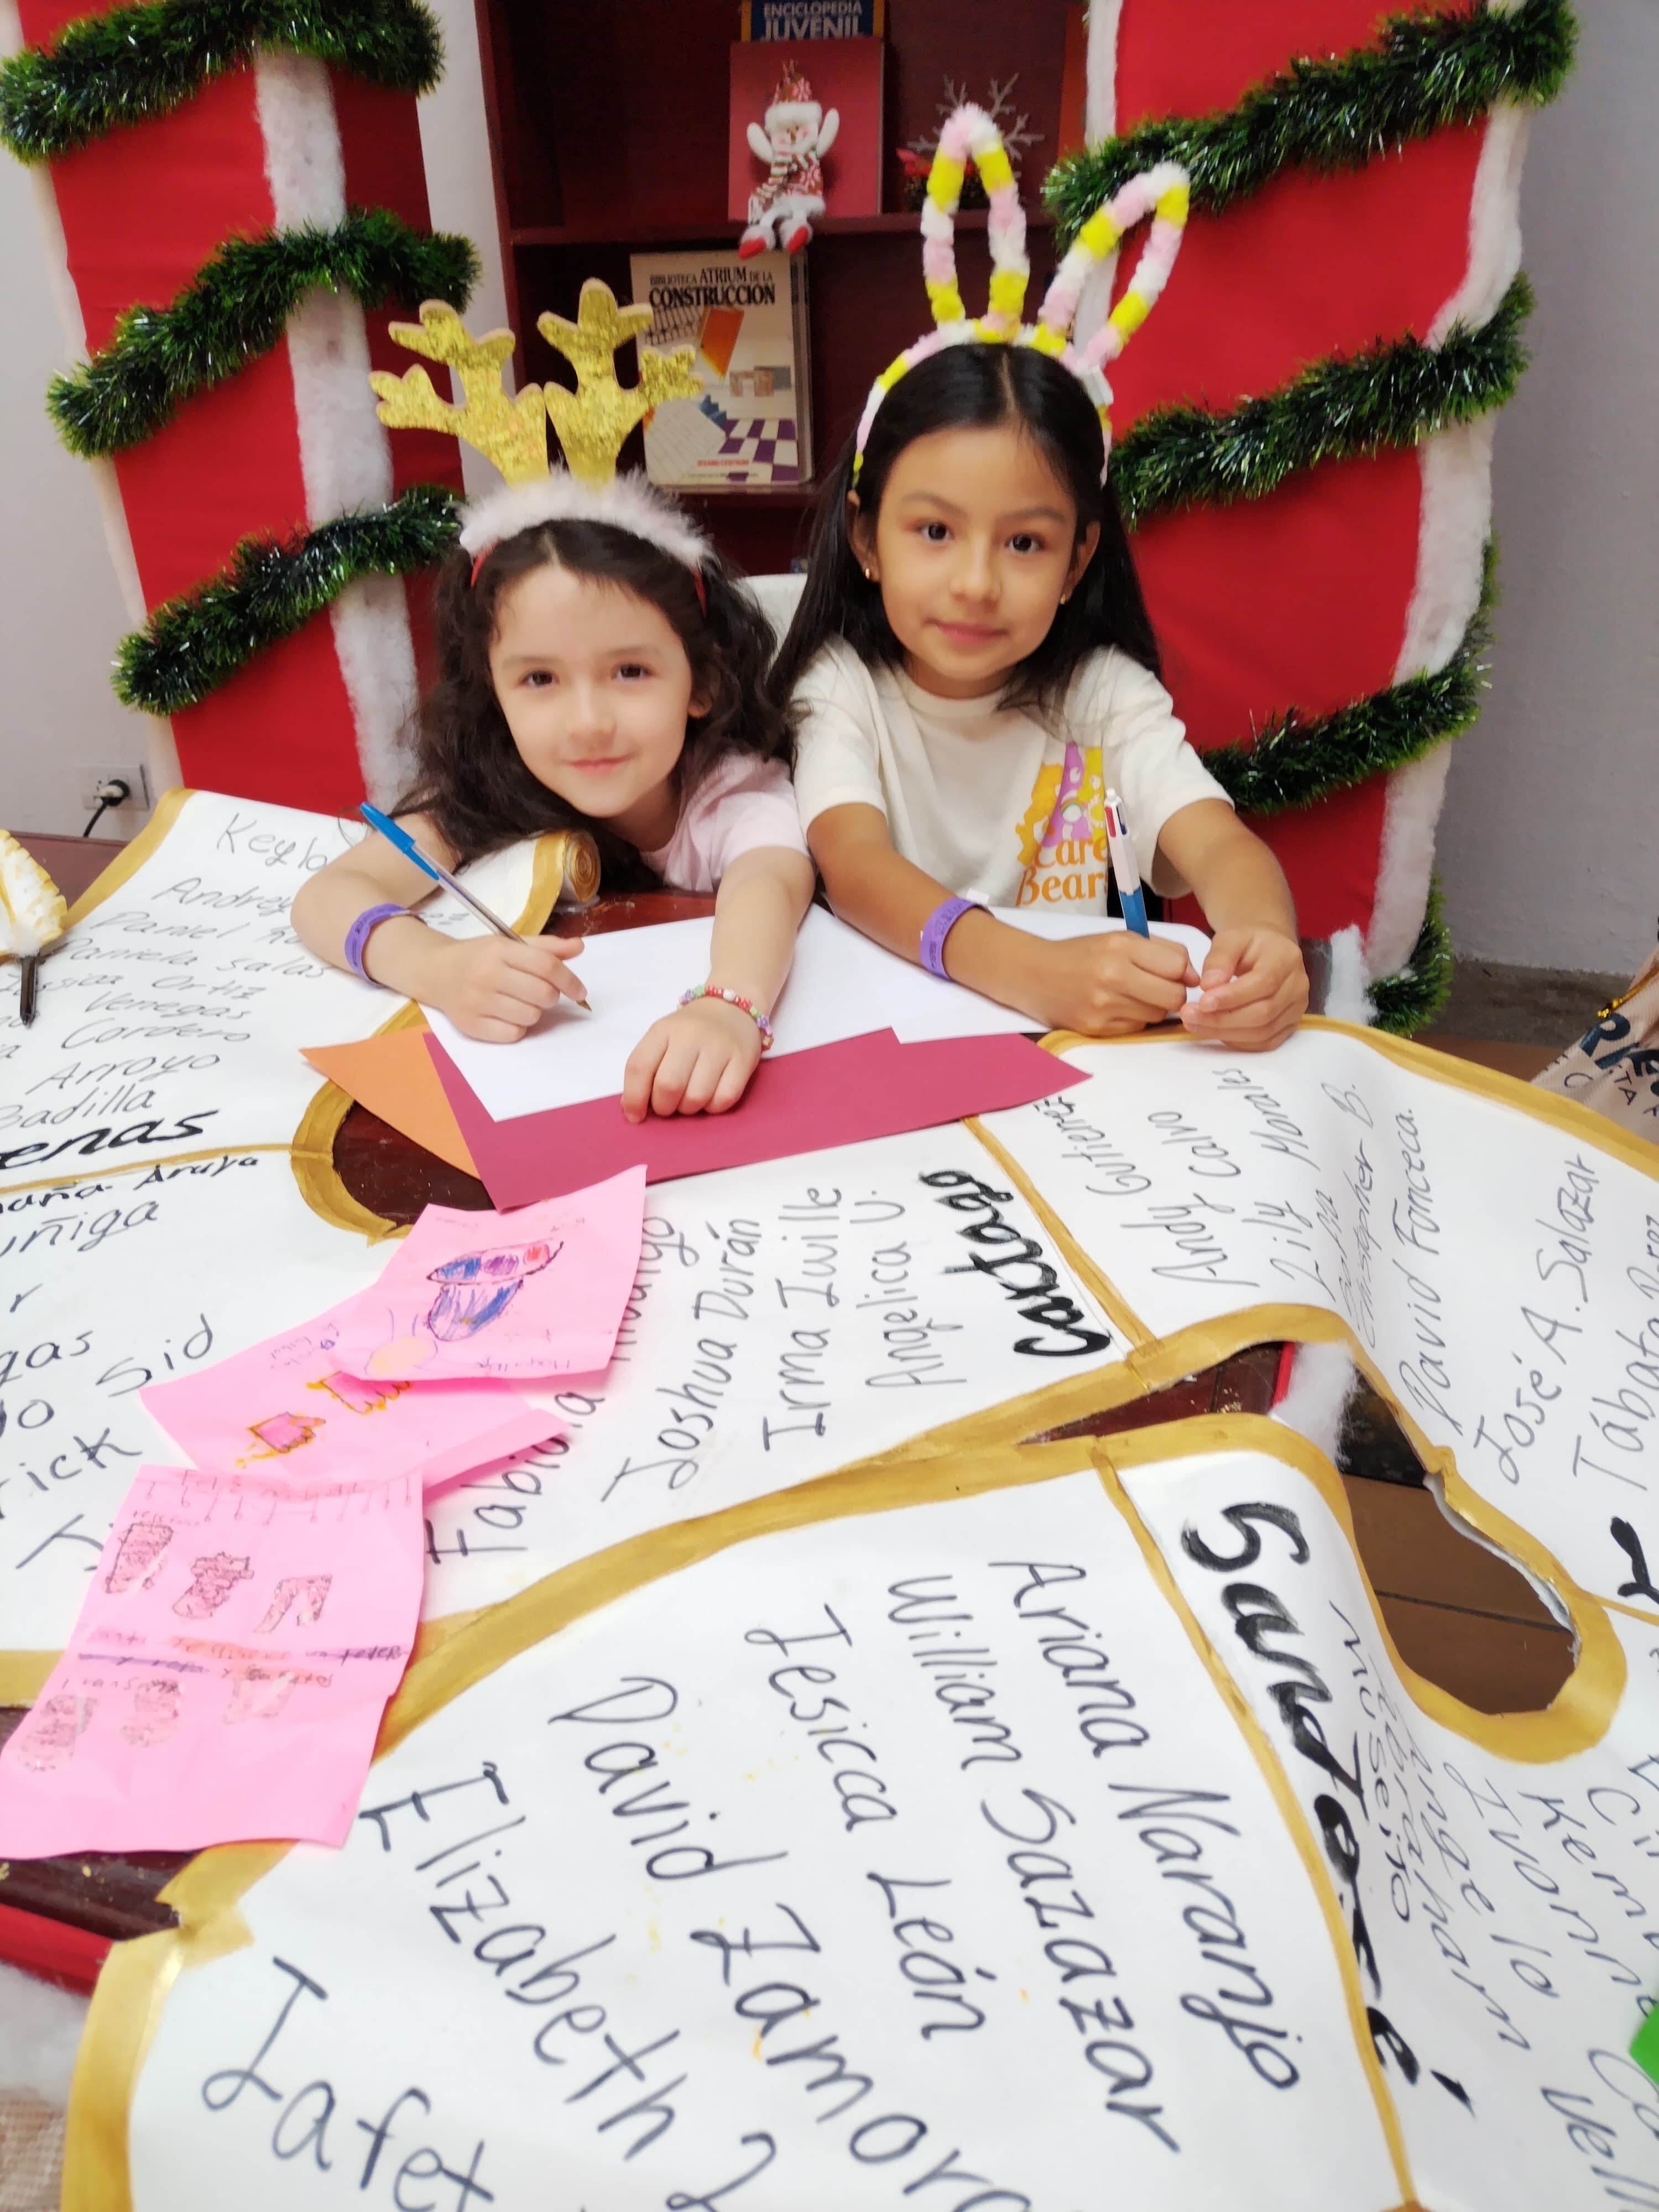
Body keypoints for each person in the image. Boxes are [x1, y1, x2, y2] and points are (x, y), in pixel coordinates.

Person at [772, 105, 1308, 1051]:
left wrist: (1262, 937)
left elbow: (1217, 843)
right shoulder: (842, 687)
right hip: (892, 1058)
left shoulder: (1100, 693)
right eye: (934, 530)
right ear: (865, 539)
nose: (976, 584)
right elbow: (851, 864)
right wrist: (1028, 970)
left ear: (1078, 562)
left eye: (1024, 544)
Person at [293, 498, 813, 1121]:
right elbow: (325, 899)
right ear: (492, 690)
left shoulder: (731, 793)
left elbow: (772, 882)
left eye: (630, 670)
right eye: (540, 679)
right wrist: (437, 968)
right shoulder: (491, 797)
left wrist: (729, 1004)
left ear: (702, 681)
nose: (588, 723)